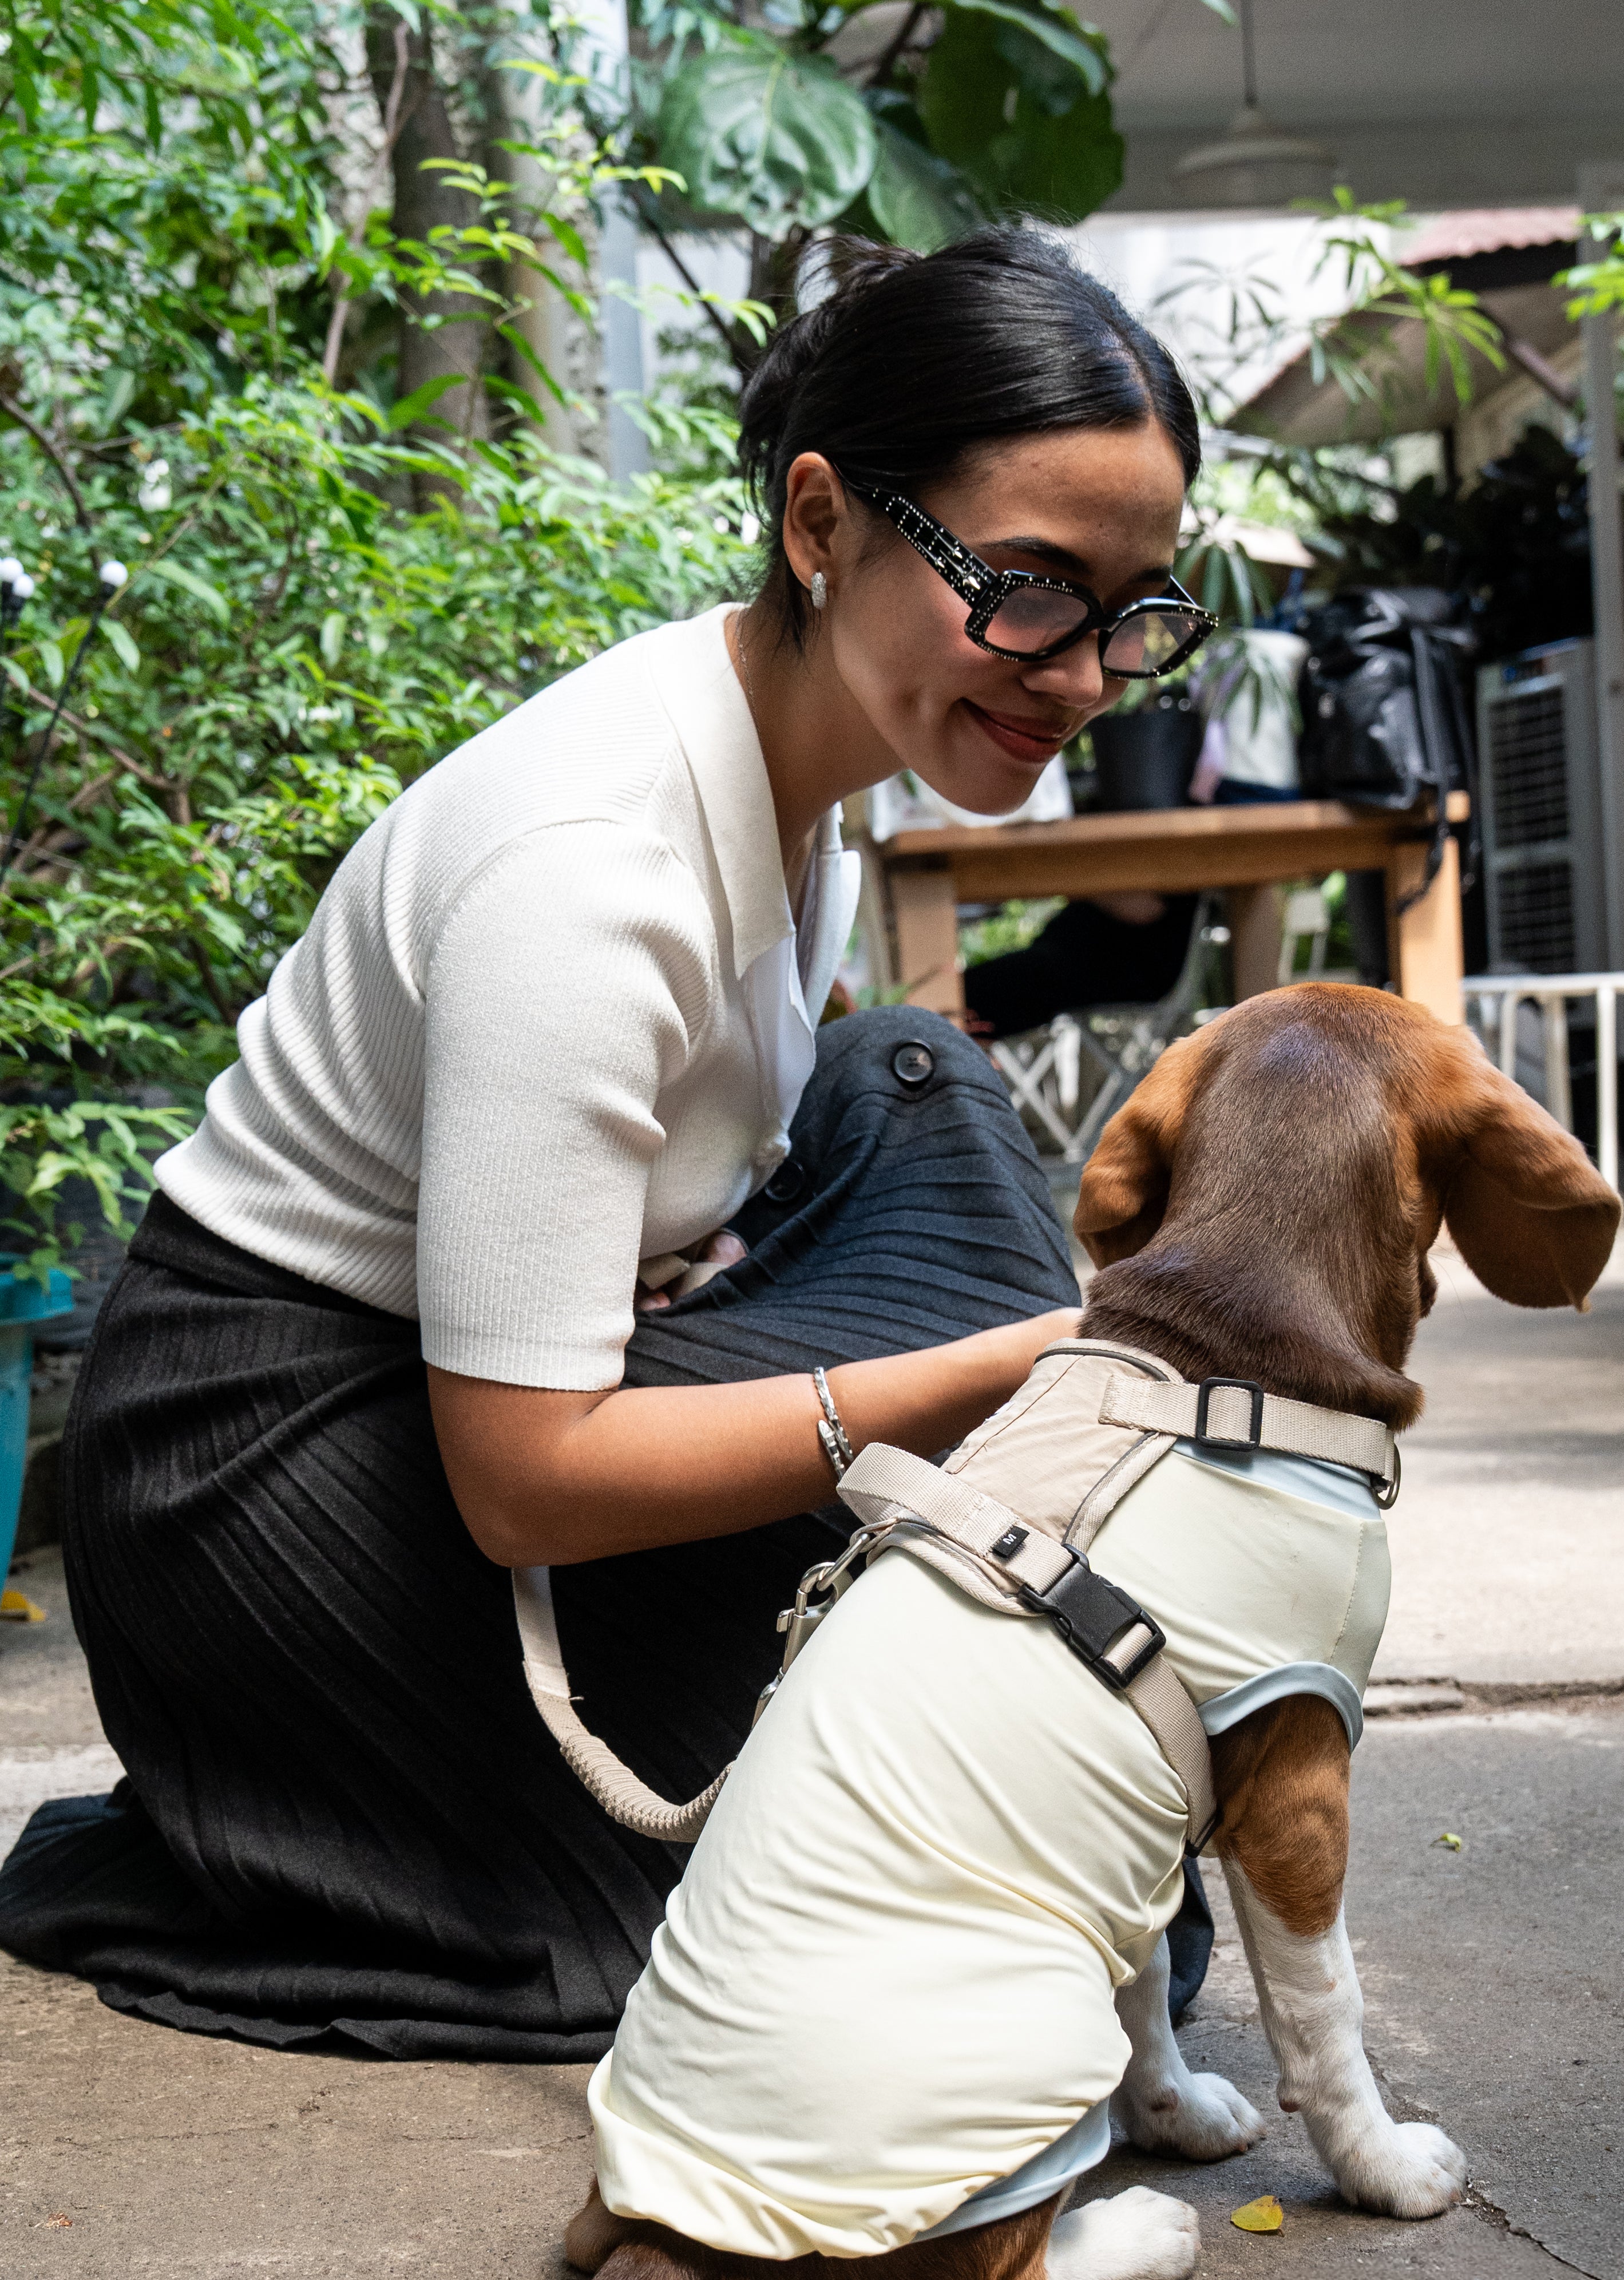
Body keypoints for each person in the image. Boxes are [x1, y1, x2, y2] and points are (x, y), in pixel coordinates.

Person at [0, 231, 1221, 2059]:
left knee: (915, 1086)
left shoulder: (811, 781)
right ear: (824, 522)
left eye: (1136, 610)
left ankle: (981, 1603)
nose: (1083, 676)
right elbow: (525, 1482)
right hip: (264, 1465)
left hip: (485, 1366)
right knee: (895, 1896)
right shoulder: (588, 869)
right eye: (1030, 589)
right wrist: (998, 1372)